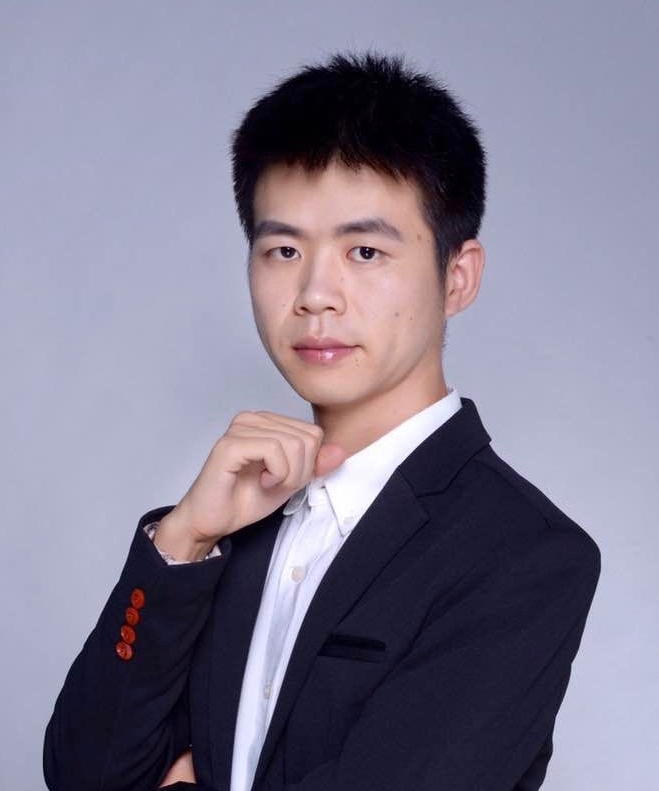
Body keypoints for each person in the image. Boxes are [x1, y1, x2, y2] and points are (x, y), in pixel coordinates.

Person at [43, 50, 601, 791]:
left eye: (364, 250)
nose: (314, 294)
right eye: (282, 249)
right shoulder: (226, 529)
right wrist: (184, 539)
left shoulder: (523, 556)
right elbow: (82, 773)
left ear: (457, 276)